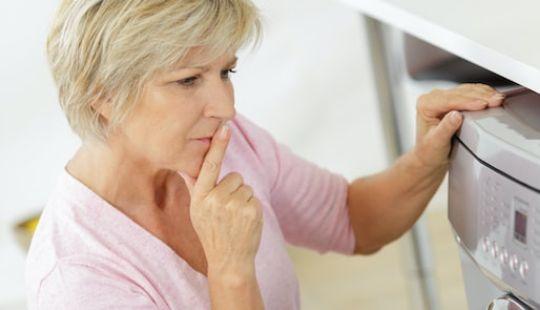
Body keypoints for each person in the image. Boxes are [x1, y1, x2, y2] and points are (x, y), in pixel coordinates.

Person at [25, 0, 506, 309]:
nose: (226, 107)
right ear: (102, 96)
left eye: (226, 72)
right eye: (188, 80)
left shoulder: (223, 143)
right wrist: (230, 271)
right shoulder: (76, 280)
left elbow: (352, 219)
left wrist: (429, 153)